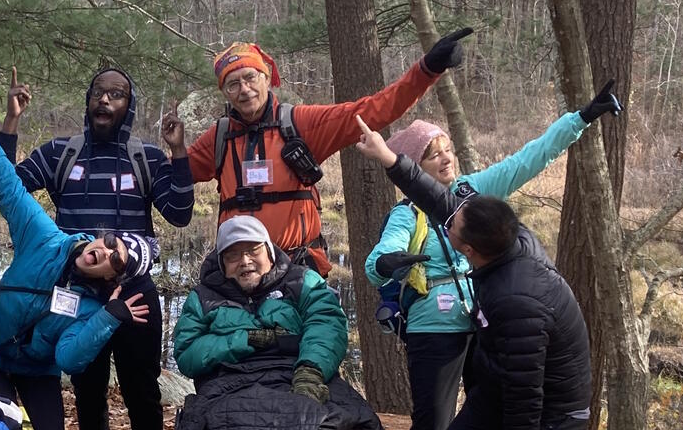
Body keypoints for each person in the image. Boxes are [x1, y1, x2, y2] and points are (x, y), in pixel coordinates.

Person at [356, 123, 648, 430]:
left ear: (470, 249)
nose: (447, 161)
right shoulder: (497, 239)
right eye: (435, 154)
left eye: (448, 150)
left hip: (551, 402)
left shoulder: (515, 298)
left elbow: (525, 380)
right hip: (474, 358)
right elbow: (420, 219)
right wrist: (387, 162)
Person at [154, 217, 418, 430]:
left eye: (252, 252)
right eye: (233, 256)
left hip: (299, 374)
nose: (245, 261)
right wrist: (245, 339)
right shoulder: (203, 298)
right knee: (229, 424)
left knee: (329, 416)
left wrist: (310, 369)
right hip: (233, 383)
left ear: (269, 251)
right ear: (221, 262)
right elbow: (188, 353)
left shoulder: (302, 281)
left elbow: (326, 324)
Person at [0, 83, 154, 430]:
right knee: (1, 427)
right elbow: (6, 184)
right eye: (109, 244)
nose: (103, 253)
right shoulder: (44, 236)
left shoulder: (91, 307)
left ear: (114, 278)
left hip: (37, 367)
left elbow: (68, 358)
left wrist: (109, 318)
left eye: (114, 261)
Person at [0, 65, 193, 430]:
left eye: (117, 95)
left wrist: (178, 152)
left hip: (134, 289)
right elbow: (7, 186)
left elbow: (179, 213)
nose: (105, 101)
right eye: (99, 93)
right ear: (89, 101)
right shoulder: (61, 154)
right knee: (87, 389)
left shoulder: (147, 158)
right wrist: (11, 122)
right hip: (76, 291)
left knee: (142, 392)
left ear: (129, 106)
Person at [186, 29, 473, 274]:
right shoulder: (219, 138)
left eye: (250, 77)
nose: (244, 89)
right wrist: (171, 148)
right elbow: (176, 173)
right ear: (224, 92)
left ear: (266, 77)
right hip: (239, 274)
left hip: (296, 271)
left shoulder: (301, 125)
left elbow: (374, 110)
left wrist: (426, 70)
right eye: (233, 84)